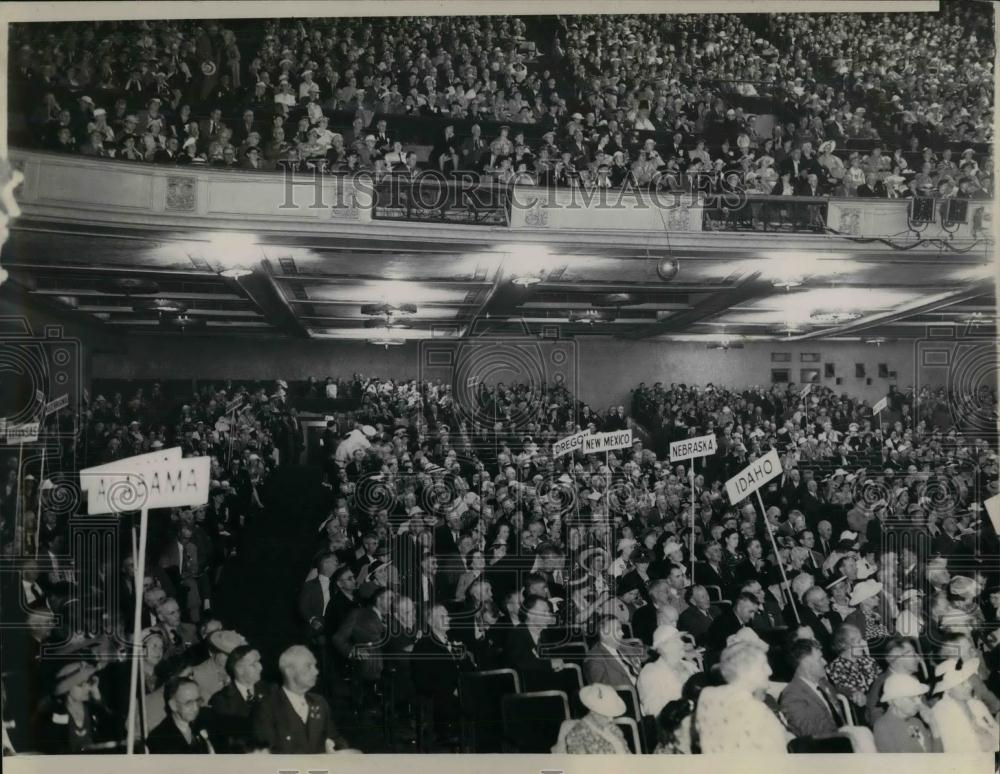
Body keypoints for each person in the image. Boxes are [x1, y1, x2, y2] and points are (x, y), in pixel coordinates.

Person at [251, 645, 349, 754]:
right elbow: (265, 755)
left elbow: (335, 739)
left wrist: (344, 752)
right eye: (309, 666)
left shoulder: (319, 702)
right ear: (289, 671)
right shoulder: (267, 707)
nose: (316, 671)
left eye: (315, 666)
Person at [695, 641, 789, 753]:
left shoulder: (708, 696)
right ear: (748, 670)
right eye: (764, 665)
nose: (770, 671)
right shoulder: (755, 710)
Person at [33, 662, 115, 754]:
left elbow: (115, 732)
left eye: (88, 683)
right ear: (67, 689)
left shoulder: (94, 710)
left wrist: (98, 698)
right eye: (81, 685)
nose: (87, 688)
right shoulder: (56, 714)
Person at [931, 658, 1000, 752]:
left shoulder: (976, 704)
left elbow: (995, 730)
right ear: (947, 689)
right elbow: (954, 749)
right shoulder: (940, 712)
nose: (969, 686)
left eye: (967, 681)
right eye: (962, 683)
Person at [779, 638, 844, 738]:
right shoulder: (792, 696)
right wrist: (846, 734)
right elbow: (812, 733)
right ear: (806, 664)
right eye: (820, 659)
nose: (825, 662)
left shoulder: (823, 682)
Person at [208, 645, 267, 753]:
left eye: (259, 662)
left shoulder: (271, 691)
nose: (261, 667)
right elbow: (224, 743)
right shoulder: (221, 700)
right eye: (254, 664)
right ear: (239, 669)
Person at [638, 625, 699, 717]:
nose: (682, 643)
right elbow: (653, 711)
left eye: (681, 639)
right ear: (663, 647)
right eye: (676, 640)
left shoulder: (689, 665)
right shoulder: (650, 673)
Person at [551, 683, 630, 754]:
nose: (611, 719)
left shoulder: (614, 729)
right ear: (593, 712)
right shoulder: (578, 734)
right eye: (606, 715)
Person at [872, 673, 942, 753]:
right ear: (896, 701)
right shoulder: (883, 726)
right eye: (912, 698)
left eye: (919, 696)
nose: (918, 702)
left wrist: (934, 725)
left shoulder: (916, 722)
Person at [146, 676, 216, 753]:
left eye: (197, 700)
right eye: (189, 703)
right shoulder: (159, 738)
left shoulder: (206, 717)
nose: (196, 708)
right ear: (173, 705)